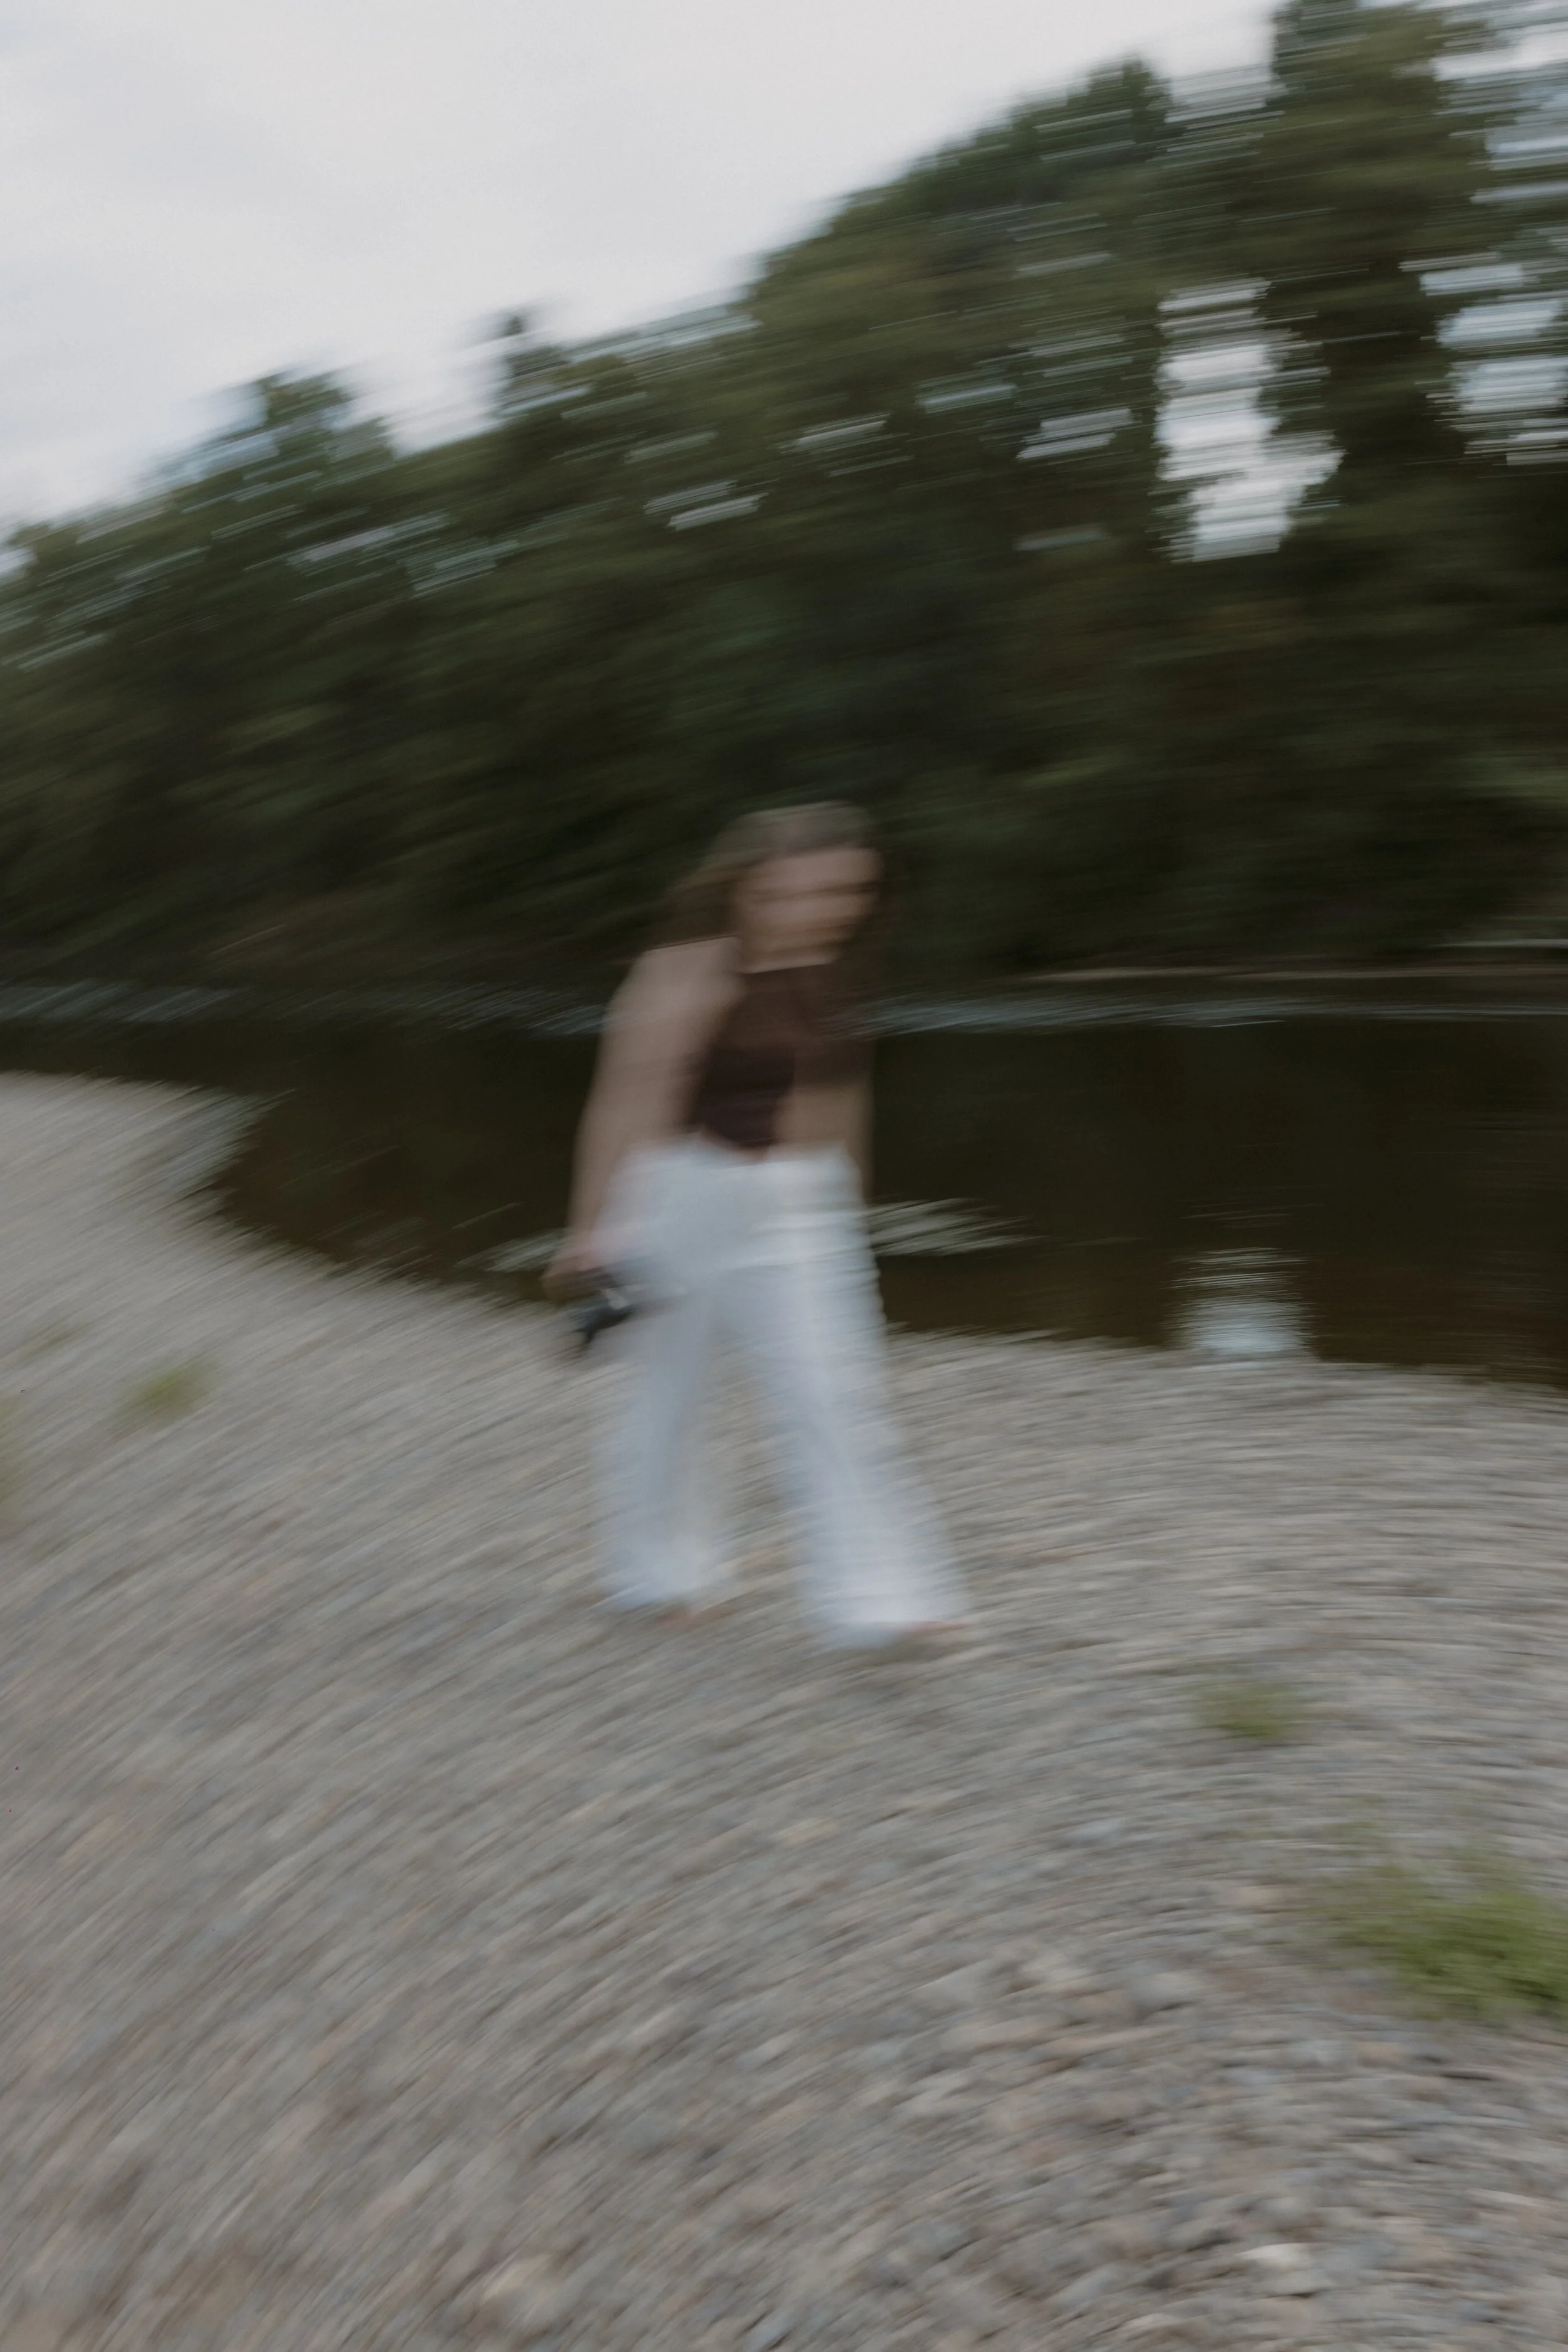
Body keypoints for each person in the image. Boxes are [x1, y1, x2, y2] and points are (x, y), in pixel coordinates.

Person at [546, 802, 968, 1652]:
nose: (829, 906)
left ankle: (879, 1597)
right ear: (749, 887)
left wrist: (848, 1204)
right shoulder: (683, 972)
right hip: (682, 1194)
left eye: (849, 888)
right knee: (672, 1396)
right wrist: (592, 1227)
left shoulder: (834, 970)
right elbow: (625, 1101)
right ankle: (659, 1573)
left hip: (799, 1205)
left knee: (835, 1393)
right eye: (803, 891)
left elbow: (841, 1095)